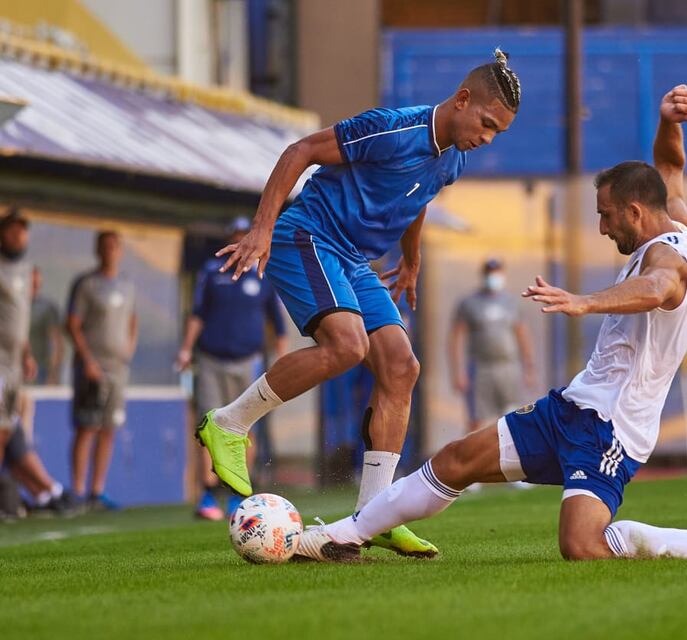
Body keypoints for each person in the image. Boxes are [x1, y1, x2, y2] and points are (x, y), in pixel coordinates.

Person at [296, 85, 687, 562]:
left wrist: (584, 302)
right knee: (455, 460)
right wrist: (670, 122)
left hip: (611, 430)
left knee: (582, 546)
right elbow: (670, 163)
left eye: (606, 216)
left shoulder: (671, 262)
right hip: (572, 407)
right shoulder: (674, 217)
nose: (602, 227)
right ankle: (338, 537)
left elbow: (653, 291)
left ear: (634, 211)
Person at [195, 49, 521, 558]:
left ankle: (377, 517)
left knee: (401, 367)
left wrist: (411, 260)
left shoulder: (453, 158)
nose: (487, 138)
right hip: (307, 235)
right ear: (462, 100)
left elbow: (419, 198)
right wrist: (260, 231)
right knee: (346, 346)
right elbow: (298, 152)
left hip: (351, 258)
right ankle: (229, 423)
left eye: (498, 133)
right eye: (486, 124)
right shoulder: (392, 129)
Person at [176, 217, 288, 520]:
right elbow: (198, 313)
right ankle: (208, 493)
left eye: (246, 235)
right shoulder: (213, 273)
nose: (243, 241)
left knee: (244, 427)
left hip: (247, 361)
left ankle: (239, 494)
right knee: (209, 425)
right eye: (237, 236)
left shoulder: (262, 276)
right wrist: (186, 349)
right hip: (212, 359)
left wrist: (282, 358)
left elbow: (277, 324)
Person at [66, 230, 138, 511]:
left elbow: (133, 319)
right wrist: (87, 361)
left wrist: (129, 348)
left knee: (109, 427)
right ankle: (78, 490)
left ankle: (97, 490)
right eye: (105, 246)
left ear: (120, 251)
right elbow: (72, 324)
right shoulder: (86, 284)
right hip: (91, 368)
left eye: (114, 246)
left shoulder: (127, 285)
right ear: (98, 250)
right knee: (88, 426)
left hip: (117, 369)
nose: (110, 251)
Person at [450, 258, 536, 433]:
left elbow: (522, 335)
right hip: (481, 368)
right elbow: (456, 338)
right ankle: (469, 458)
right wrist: (458, 372)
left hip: (508, 367)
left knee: (513, 417)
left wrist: (529, 368)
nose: (493, 278)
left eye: (496, 273)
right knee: (476, 420)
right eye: (490, 274)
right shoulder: (469, 303)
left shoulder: (512, 302)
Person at [0, 208, 37, 471]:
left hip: (14, 363)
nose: (18, 235)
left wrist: (26, 353)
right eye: (13, 230)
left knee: (5, 429)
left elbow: (21, 317)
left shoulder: (25, 271)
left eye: (22, 231)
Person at [30, 267, 65, 386]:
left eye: (36, 284)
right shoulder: (12, 307)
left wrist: (54, 373)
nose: (33, 287)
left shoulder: (47, 309)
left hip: (41, 370)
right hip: (15, 369)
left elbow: (56, 342)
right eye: (31, 283)